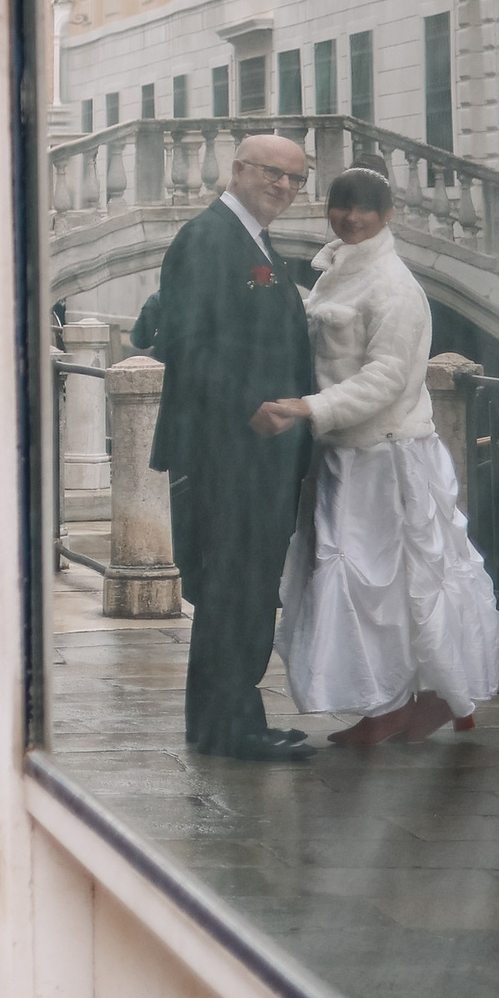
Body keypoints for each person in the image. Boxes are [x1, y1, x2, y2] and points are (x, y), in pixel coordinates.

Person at [261, 167, 499, 744]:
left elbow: (388, 378)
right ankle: (393, 703)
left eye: (364, 207)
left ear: (388, 214)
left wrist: (309, 407)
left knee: (390, 584)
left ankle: (408, 702)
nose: (349, 216)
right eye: (341, 205)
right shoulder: (336, 270)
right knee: (364, 582)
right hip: (343, 454)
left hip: (385, 457)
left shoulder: (394, 286)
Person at [146, 134, 320, 762]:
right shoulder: (210, 237)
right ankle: (231, 727)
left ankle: (222, 720)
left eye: (296, 179)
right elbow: (189, 343)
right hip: (229, 449)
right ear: (239, 169)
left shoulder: (248, 238)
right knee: (235, 585)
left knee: (241, 585)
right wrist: (251, 406)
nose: (284, 187)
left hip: (254, 449)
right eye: (273, 173)